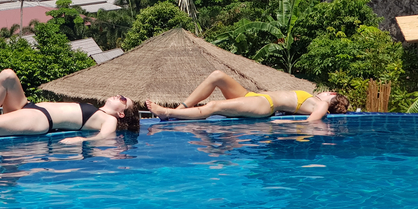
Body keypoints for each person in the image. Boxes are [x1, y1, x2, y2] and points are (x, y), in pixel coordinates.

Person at [0, 68, 140, 145]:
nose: (117, 95)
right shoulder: (98, 110)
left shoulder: (110, 119)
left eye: (122, 98)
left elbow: (105, 138)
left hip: (40, 120)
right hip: (30, 107)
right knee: (7, 76)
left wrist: (82, 141)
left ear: (121, 113)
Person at [145, 70, 349, 123]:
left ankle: (168, 112)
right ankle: (180, 110)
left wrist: (285, 126)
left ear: (332, 95)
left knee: (215, 105)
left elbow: (312, 121)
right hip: (255, 97)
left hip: (264, 105)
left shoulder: (321, 103)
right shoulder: (315, 100)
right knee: (217, 76)